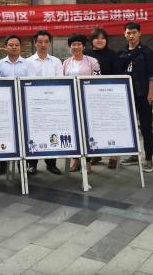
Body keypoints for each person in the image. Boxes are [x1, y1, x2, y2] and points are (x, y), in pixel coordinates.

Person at [118, 22, 153, 173]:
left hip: (143, 95)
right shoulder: (121, 52)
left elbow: (152, 75)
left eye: (134, 32)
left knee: (146, 127)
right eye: (128, 33)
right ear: (125, 34)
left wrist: (150, 94)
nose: (131, 36)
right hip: (126, 96)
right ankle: (134, 155)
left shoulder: (147, 52)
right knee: (130, 127)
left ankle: (149, 158)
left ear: (139, 33)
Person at [25, 30, 64, 176]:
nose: (43, 44)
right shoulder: (28, 62)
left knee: (51, 132)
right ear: (35, 43)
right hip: (34, 104)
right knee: (34, 133)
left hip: (52, 105)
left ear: (49, 43)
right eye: (40, 42)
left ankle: (51, 163)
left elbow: (60, 82)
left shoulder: (56, 61)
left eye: (46, 42)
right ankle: (32, 164)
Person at [0, 35, 30, 176]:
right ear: (6, 47)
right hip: (4, 106)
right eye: (11, 45)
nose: (14, 47)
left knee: (22, 135)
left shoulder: (27, 64)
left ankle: (23, 165)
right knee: (3, 133)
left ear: (20, 47)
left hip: (22, 104)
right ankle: (2, 164)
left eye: (16, 45)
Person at [62, 33, 100, 172]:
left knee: (86, 131)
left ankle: (87, 161)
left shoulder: (92, 61)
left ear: (84, 46)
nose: (76, 47)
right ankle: (75, 160)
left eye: (79, 44)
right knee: (73, 130)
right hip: (70, 102)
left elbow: (97, 81)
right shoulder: (66, 62)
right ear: (70, 47)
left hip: (87, 101)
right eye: (73, 44)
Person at [85, 27, 120, 169]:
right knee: (94, 127)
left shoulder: (113, 55)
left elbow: (118, 75)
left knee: (110, 126)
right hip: (91, 97)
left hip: (108, 96)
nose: (100, 41)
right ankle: (96, 153)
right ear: (91, 40)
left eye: (103, 38)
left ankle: (113, 156)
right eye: (96, 38)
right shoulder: (86, 54)